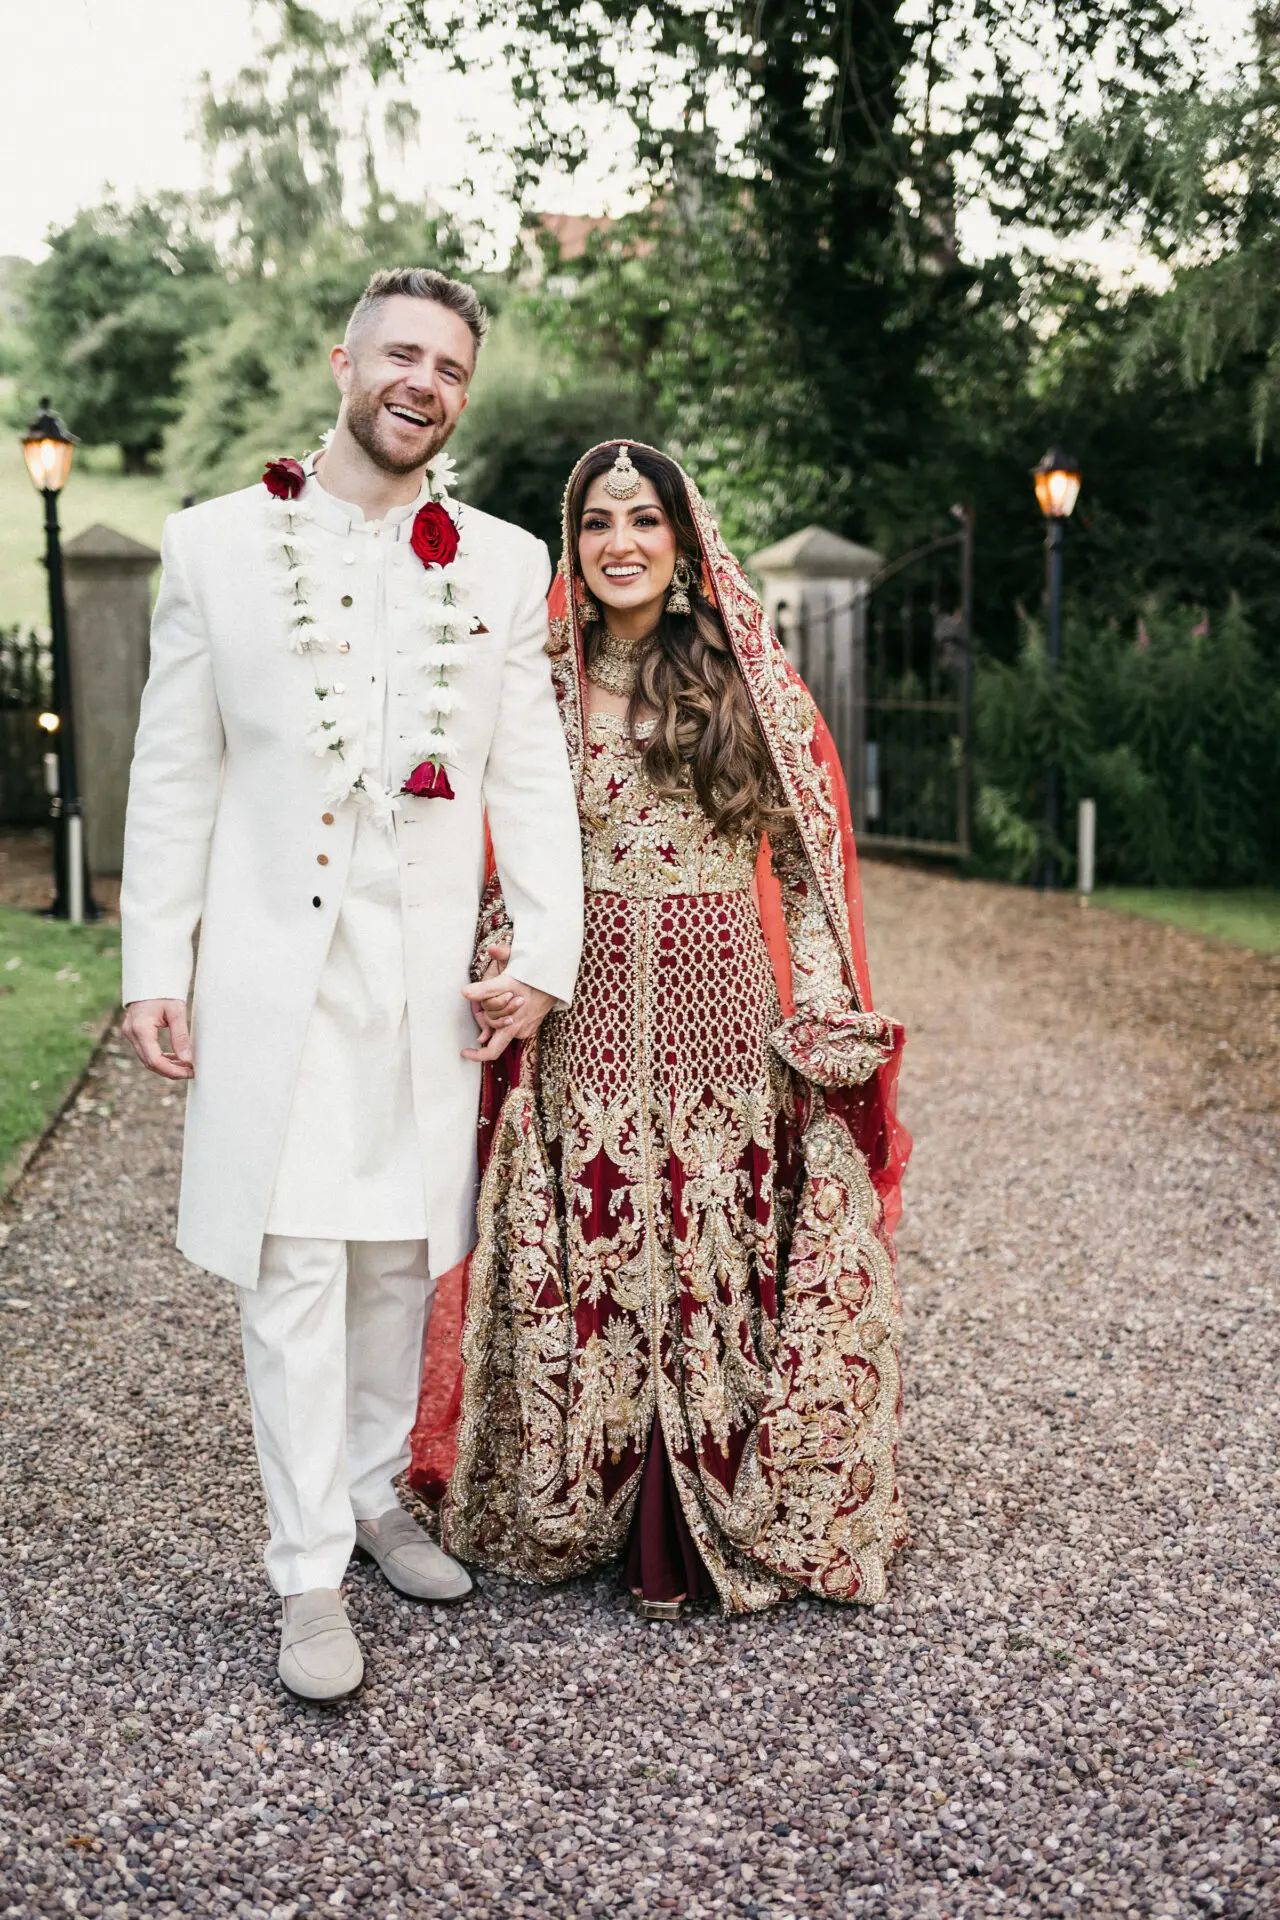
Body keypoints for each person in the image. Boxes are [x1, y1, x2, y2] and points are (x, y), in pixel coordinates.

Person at [119, 268, 584, 1699]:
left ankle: (379, 1495)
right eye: (401, 355)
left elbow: (529, 771)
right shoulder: (212, 546)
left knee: (399, 1255)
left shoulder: (503, 562)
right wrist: (154, 962)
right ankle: (307, 1571)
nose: (422, 383)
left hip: (427, 981)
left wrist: (542, 952)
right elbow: (176, 770)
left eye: (449, 368)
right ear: (343, 361)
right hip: (279, 973)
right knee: (295, 1264)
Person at [417, 441, 910, 1616]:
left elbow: (805, 856)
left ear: (682, 542)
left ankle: (713, 1492)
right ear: (572, 541)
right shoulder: (538, 679)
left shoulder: (744, 677)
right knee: (590, 1217)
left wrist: (822, 1009)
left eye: (642, 520)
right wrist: (504, 955)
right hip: (581, 1001)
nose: (619, 543)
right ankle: (588, 1488)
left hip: (722, 1001)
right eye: (596, 522)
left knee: (711, 1224)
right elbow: (508, 851)